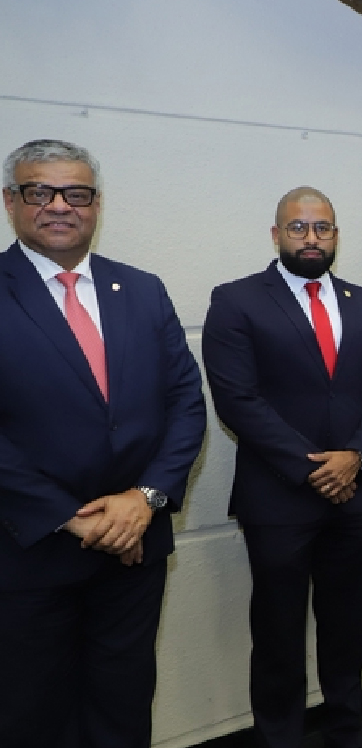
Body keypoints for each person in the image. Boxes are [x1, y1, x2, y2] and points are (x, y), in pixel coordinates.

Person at [0, 139, 206, 748]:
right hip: (29, 552)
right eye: (40, 191)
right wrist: (72, 517)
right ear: (11, 201)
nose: (60, 205)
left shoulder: (141, 289)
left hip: (134, 552)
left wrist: (145, 499)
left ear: (96, 204)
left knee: (124, 707)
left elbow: (186, 405)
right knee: (32, 717)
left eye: (77, 193)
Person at [202, 187, 362, 748]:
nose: (311, 238)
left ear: (336, 236)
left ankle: (345, 732)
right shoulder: (236, 300)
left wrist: (356, 457)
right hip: (279, 497)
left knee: (348, 629)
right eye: (298, 227)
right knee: (278, 635)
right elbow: (238, 401)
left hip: (357, 495)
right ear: (276, 234)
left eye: (322, 228)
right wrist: (315, 468)